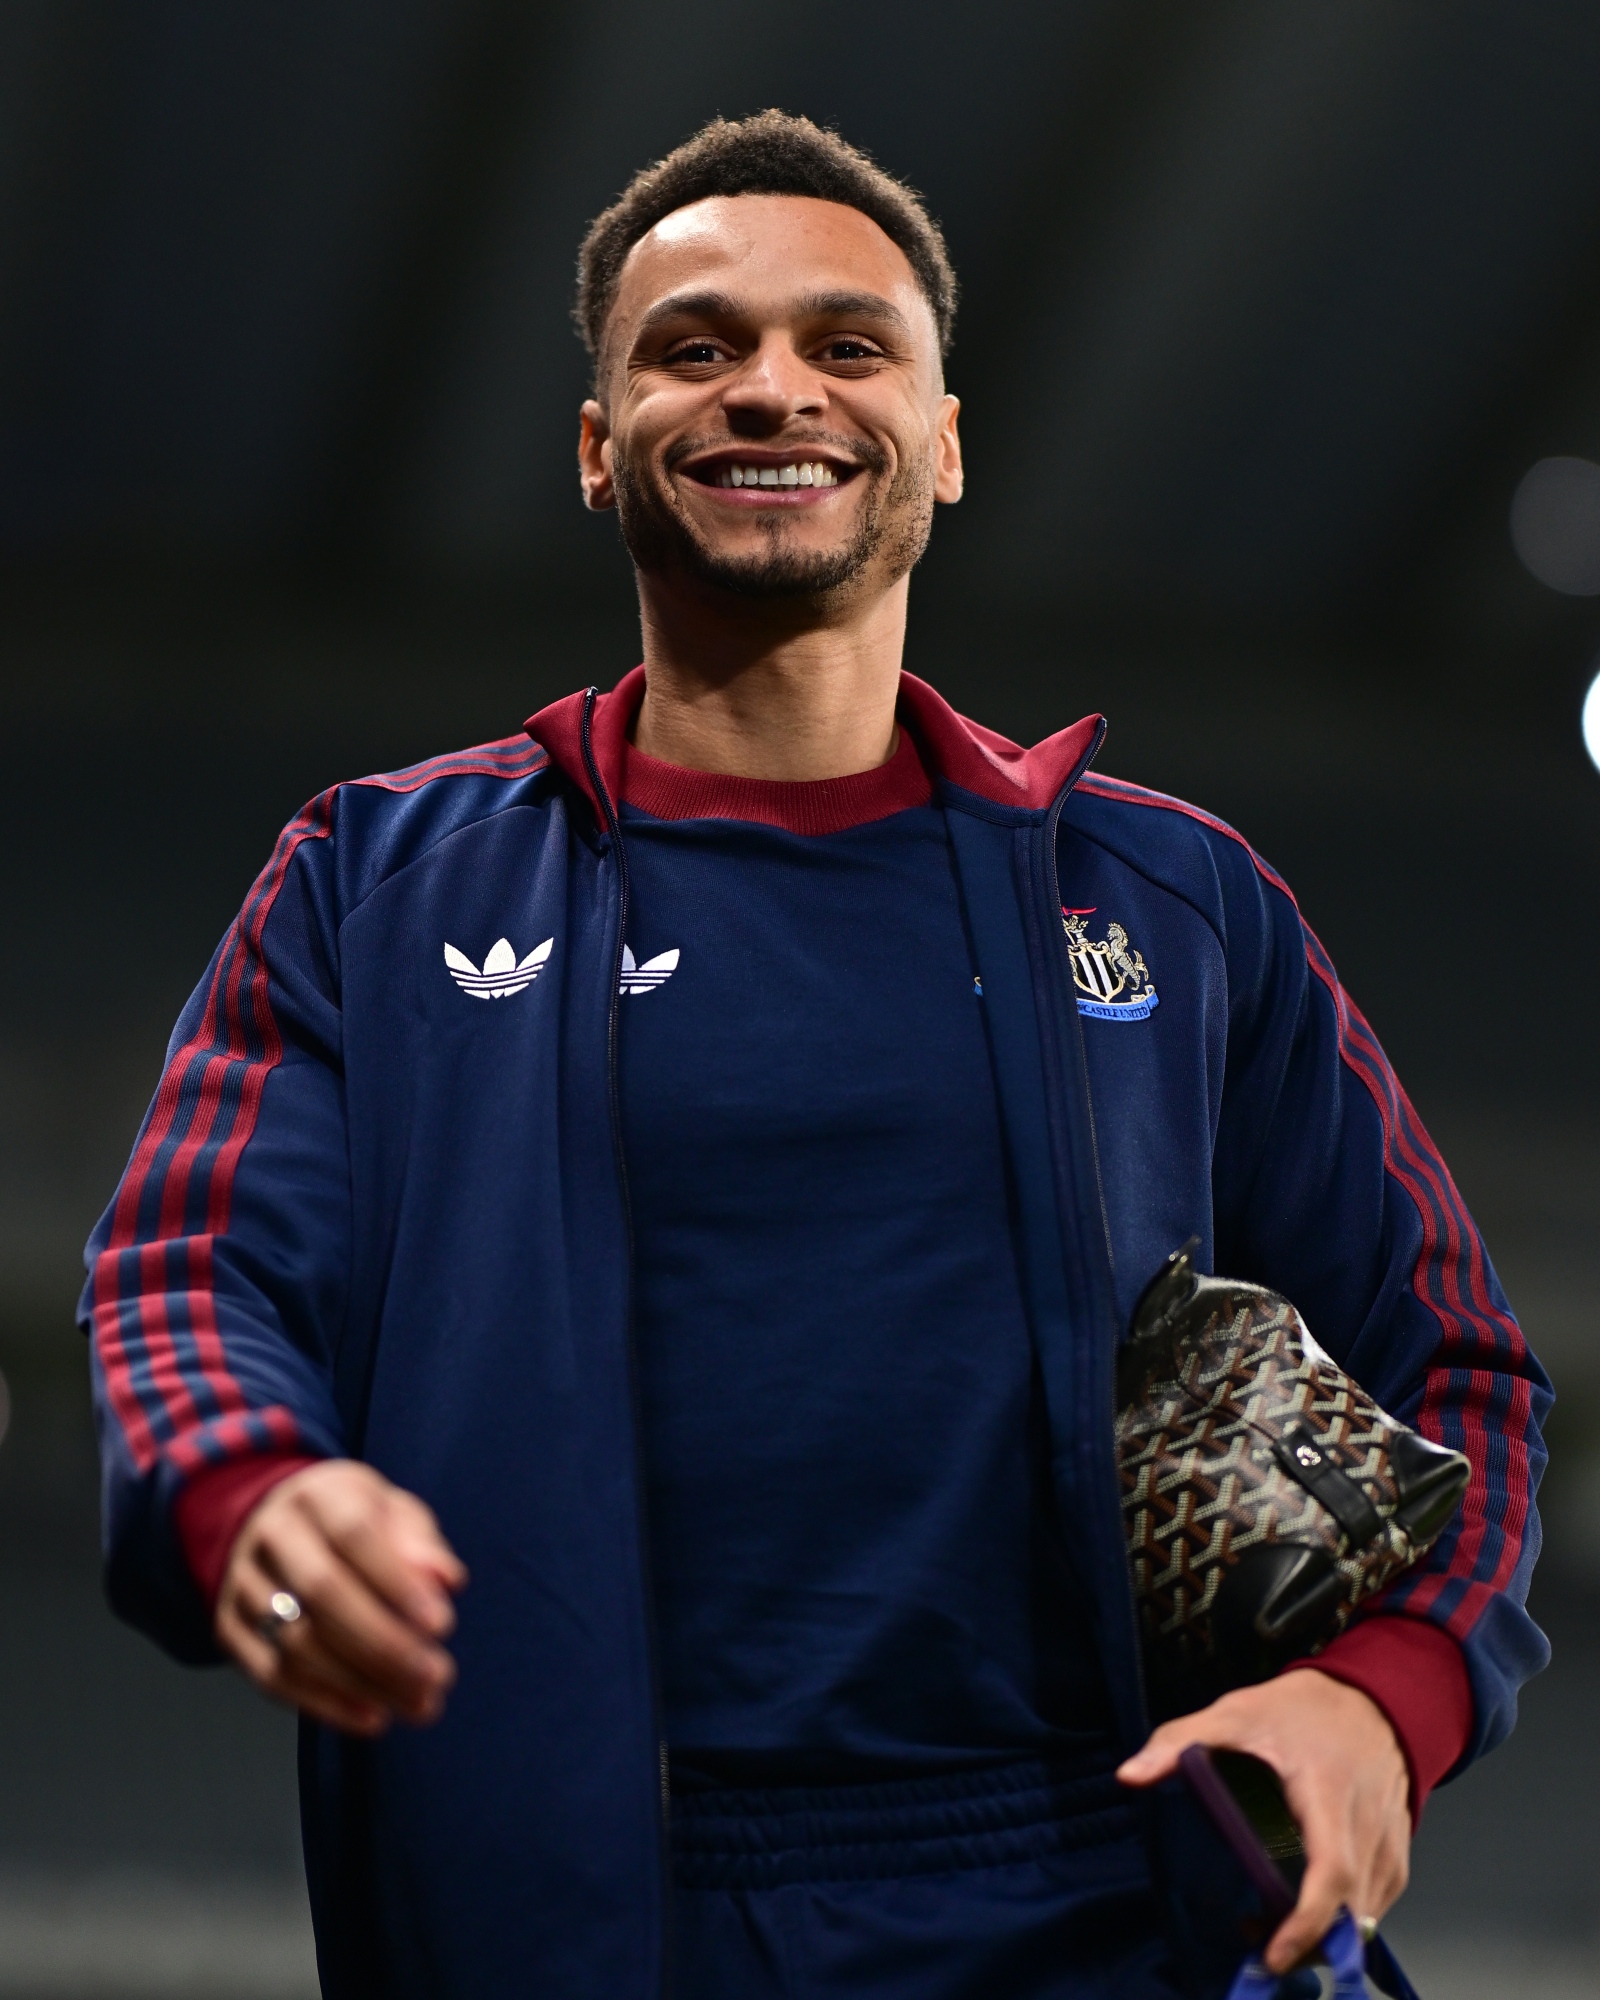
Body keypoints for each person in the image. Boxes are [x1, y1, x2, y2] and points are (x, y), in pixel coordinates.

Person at [83, 112, 1549, 1999]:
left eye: (848, 344)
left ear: (943, 440)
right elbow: (187, 1284)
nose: (774, 387)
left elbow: (1463, 1370)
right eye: (695, 347)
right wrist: (253, 1491)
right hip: (583, 1921)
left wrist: (1385, 1692)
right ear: (600, 445)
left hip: (1125, 1908)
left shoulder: (1177, 905)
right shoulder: (375, 885)